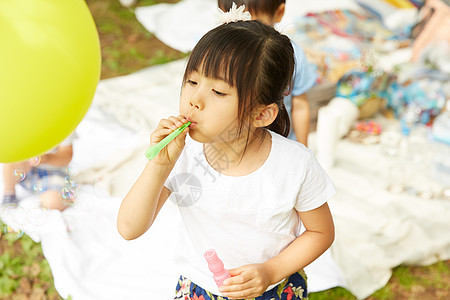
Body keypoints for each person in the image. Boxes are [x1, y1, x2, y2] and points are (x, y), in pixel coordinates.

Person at [117, 13, 334, 300]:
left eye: (218, 91)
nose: (195, 99)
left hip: (275, 289)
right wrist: (159, 164)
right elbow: (129, 228)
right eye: (192, 81)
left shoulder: (295, 165)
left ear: (261, 114)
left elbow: (320, 233)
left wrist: (271, 270)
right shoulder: (181, 154)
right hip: (199, 289)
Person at [218, 0, 317, 146]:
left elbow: (300, 106)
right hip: (233, 145)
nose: (249, 34)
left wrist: (303, 147)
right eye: (240, 23)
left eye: (256, 24)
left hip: (280, 142)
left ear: (279, 13)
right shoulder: (218, 55)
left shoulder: (293, 55)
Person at [2, 133, 76, 211]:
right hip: (27, 169)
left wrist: (46, 159)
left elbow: (66, 155)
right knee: (11, 158)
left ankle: (46, 195)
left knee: (53, 202)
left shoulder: (64, 125)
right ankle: (9, 193)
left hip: (55, 173)